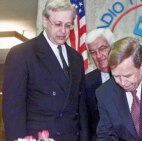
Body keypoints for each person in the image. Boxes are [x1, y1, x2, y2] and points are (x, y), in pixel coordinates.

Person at [2, 0, 89, 141]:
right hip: (40, 137)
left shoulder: (76, 58)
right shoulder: (22, 54)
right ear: (45, 21)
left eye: (68, 25)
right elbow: (13, 111)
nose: (63, 31)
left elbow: (81, 108)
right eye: (58, 24)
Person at [85, 28, 115, 140]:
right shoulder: (86, 82)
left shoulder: (128, 77)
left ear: (113, 48)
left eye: (102, 49)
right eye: (93, 52)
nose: (98, 55)